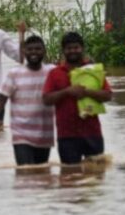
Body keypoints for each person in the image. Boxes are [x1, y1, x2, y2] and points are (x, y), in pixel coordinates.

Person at [0, 35, 56, 165]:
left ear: (44, 51)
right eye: (30, 49)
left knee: (41, 174)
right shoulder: (15, 73)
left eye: (38, 49)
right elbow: (1, 99)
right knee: (25, 172)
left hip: (45, 134)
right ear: (24, 52)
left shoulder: (52, 72)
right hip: (21, 134)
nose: (34, 52)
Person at [42, 31, 113, 165]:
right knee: (69, 178)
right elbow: (46, 99)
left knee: (95, 179)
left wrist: (86, 92)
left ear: (82, 48)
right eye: (69, 48)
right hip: (67, 135)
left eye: (76, 47)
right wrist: (67, 91)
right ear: (63, 51)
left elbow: (108, 95)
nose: (73, 51)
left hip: (93, 133)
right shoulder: (55, 73)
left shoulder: (93, 71)